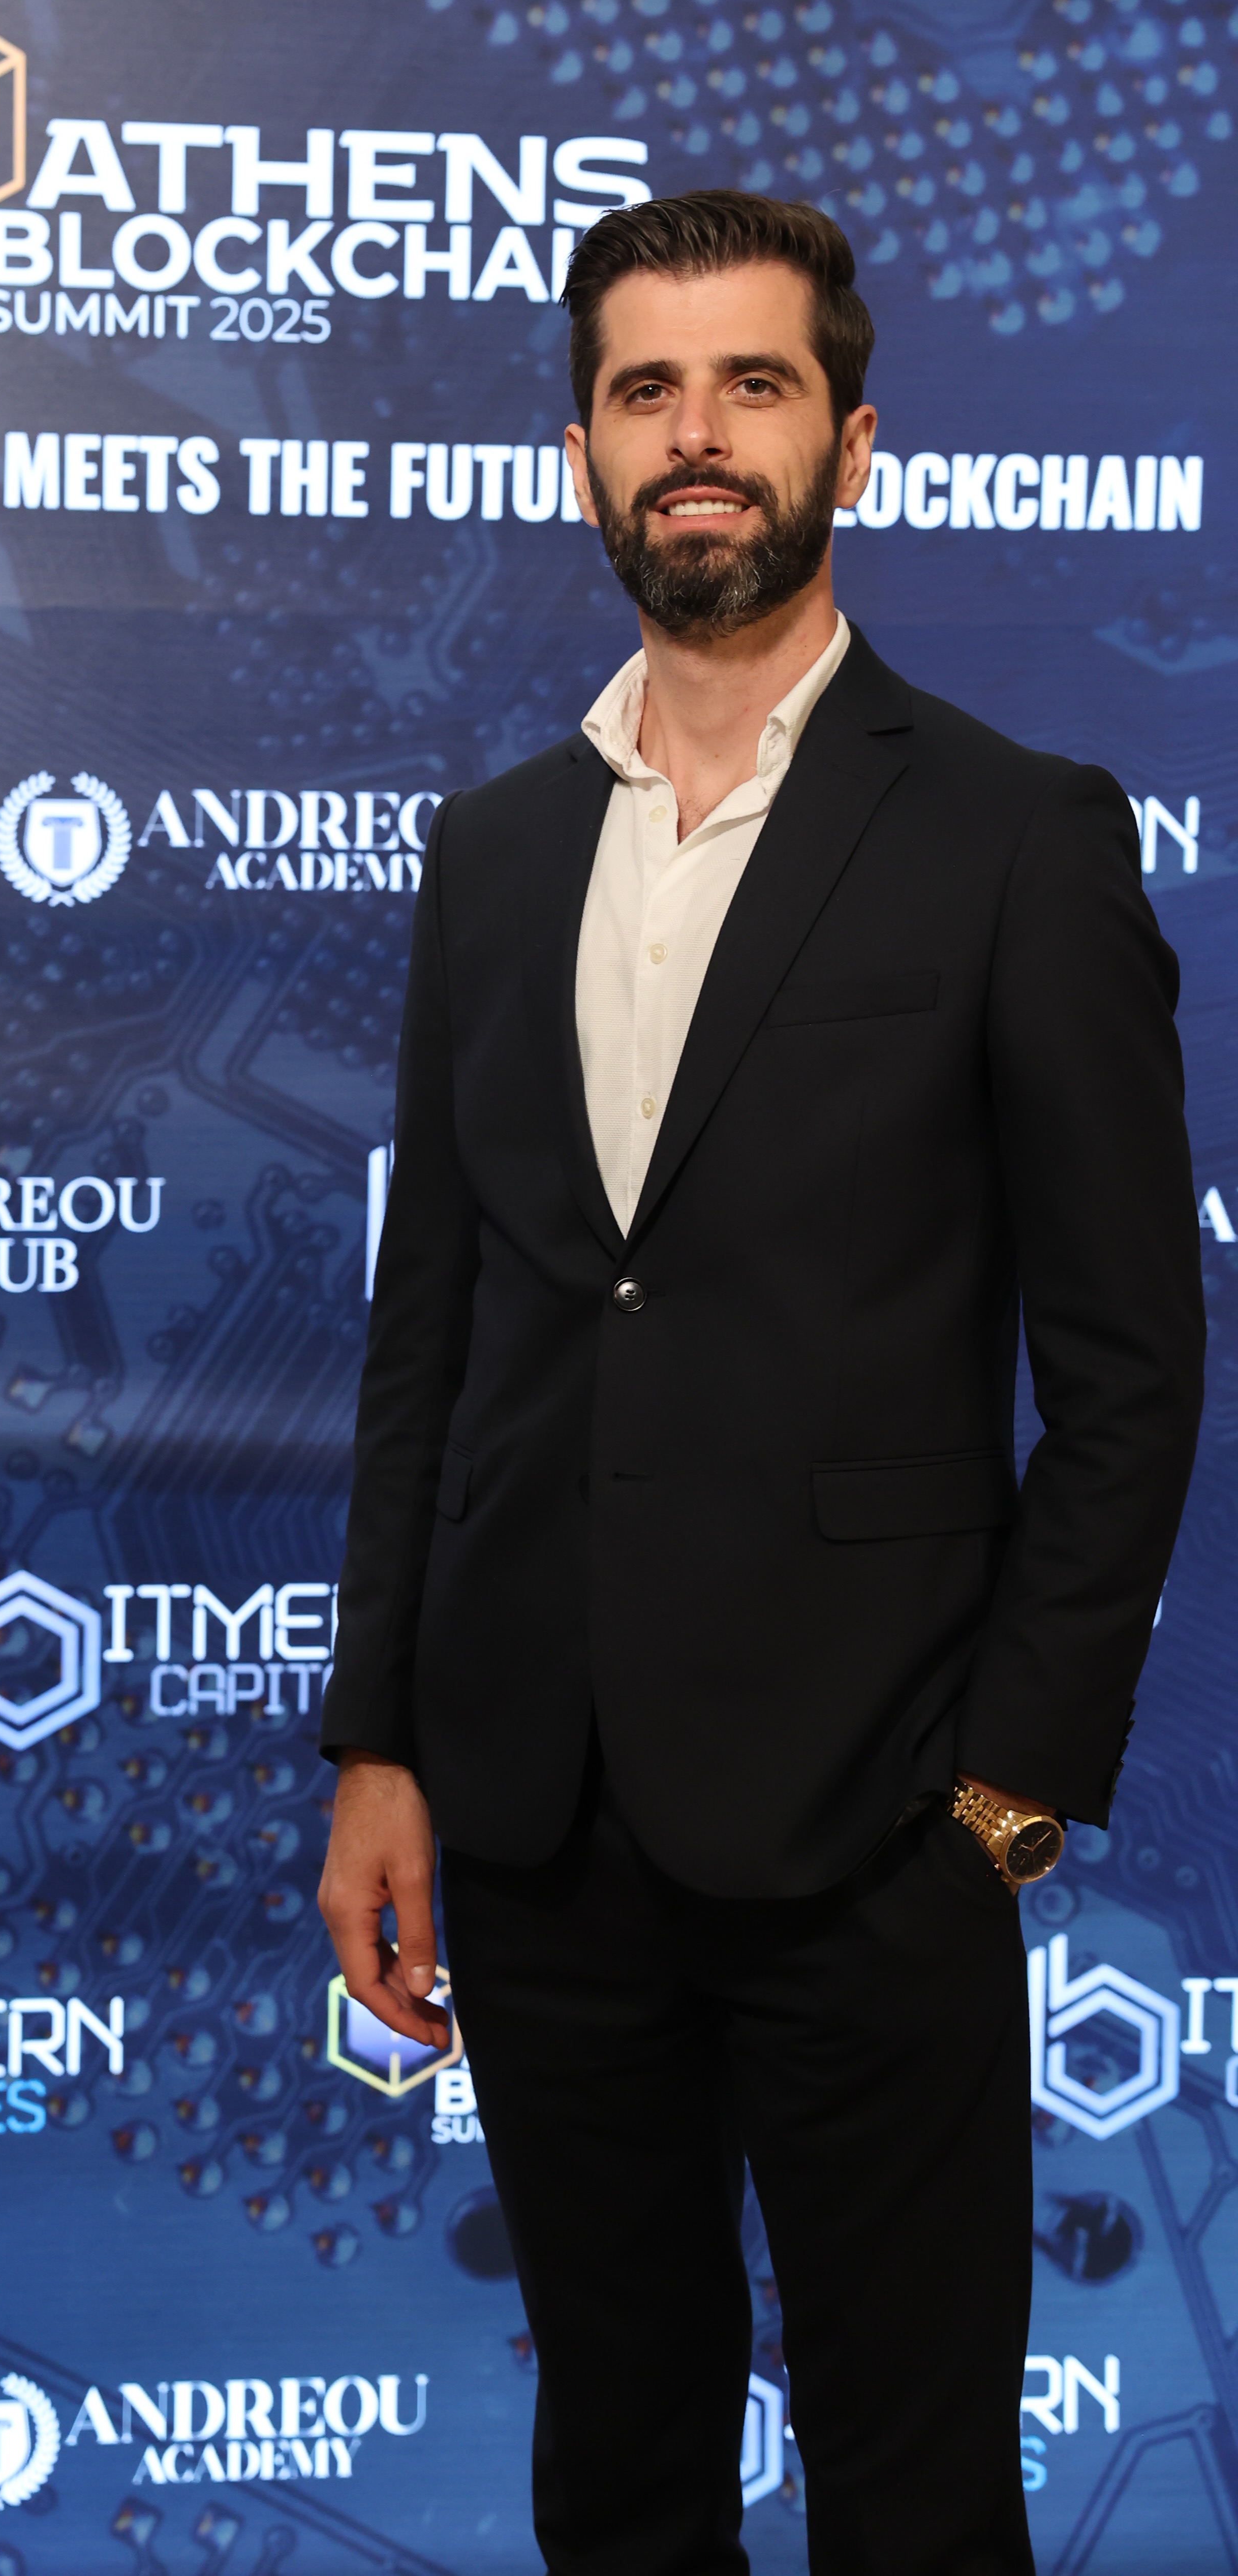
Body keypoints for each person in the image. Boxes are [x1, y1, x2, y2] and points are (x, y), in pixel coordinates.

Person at [316, 190, 1204, 2576]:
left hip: (880, 1833)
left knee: (913, 2498)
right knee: (619, 2476)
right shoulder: (489, 856)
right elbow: (446, 1334)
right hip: (532, 1817)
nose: (695, 438)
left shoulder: (1020, 838)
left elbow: (1131, 1360)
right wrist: (380, 1742)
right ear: (578, 457)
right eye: (645, 392)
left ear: (853, 443)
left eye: (753, 386)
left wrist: (1008, 1802)